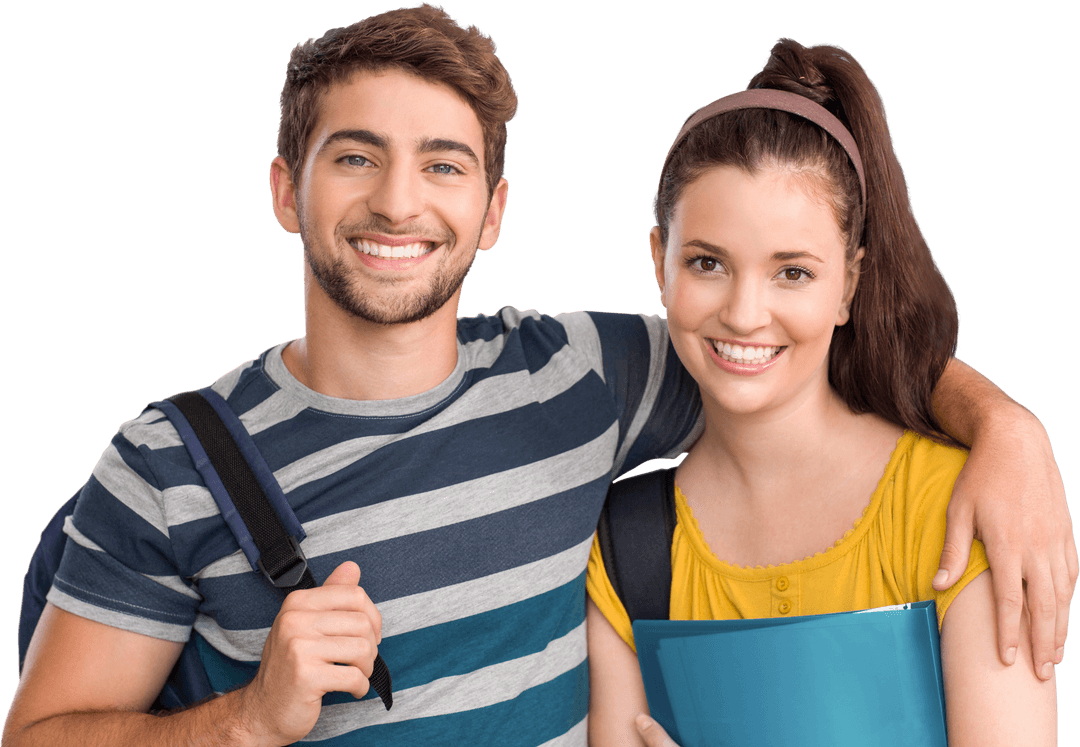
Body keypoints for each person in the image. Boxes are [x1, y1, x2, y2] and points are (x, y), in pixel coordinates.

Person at [3, 8, 1073, 747]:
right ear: (287, 188)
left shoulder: (578, 378)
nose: (397, 203)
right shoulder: (164, 464)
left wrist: (1009, 429)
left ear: (494, 211)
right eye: (355, 156)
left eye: (444, 164)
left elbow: (778, 351)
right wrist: (248, 719)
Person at [585, 38, 1064, 747]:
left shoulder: (959, 509)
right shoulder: (624, 549)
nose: (745, 312)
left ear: (849, 282)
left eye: (793, 272)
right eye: (708, 262)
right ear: (660, 263)